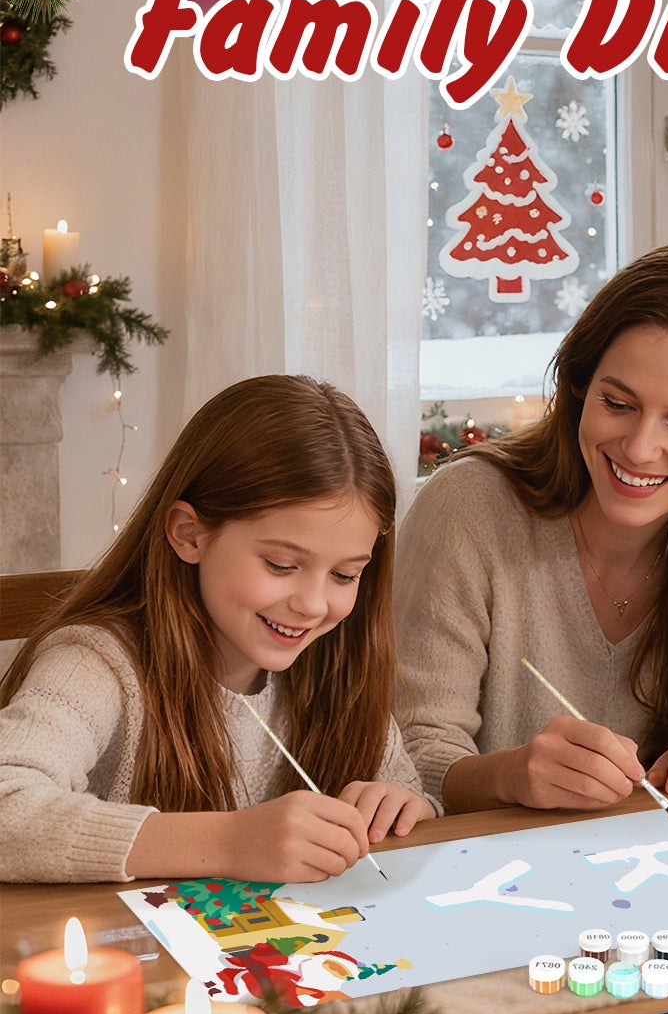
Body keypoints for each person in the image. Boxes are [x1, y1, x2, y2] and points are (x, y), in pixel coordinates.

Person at [394, 240, 668, 814]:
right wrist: (510, 775)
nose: (640, 448)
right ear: (580, 387)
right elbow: (407, 756)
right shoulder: (469, 507)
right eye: (617, 404)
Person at [0, 375, 434, 884]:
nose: (313, 605)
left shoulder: (337, 664)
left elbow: (409, 793)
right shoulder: (93, 664)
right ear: (190, 535)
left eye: (344, 575)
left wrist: (406, 806)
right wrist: (229, 842)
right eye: (279, 564)